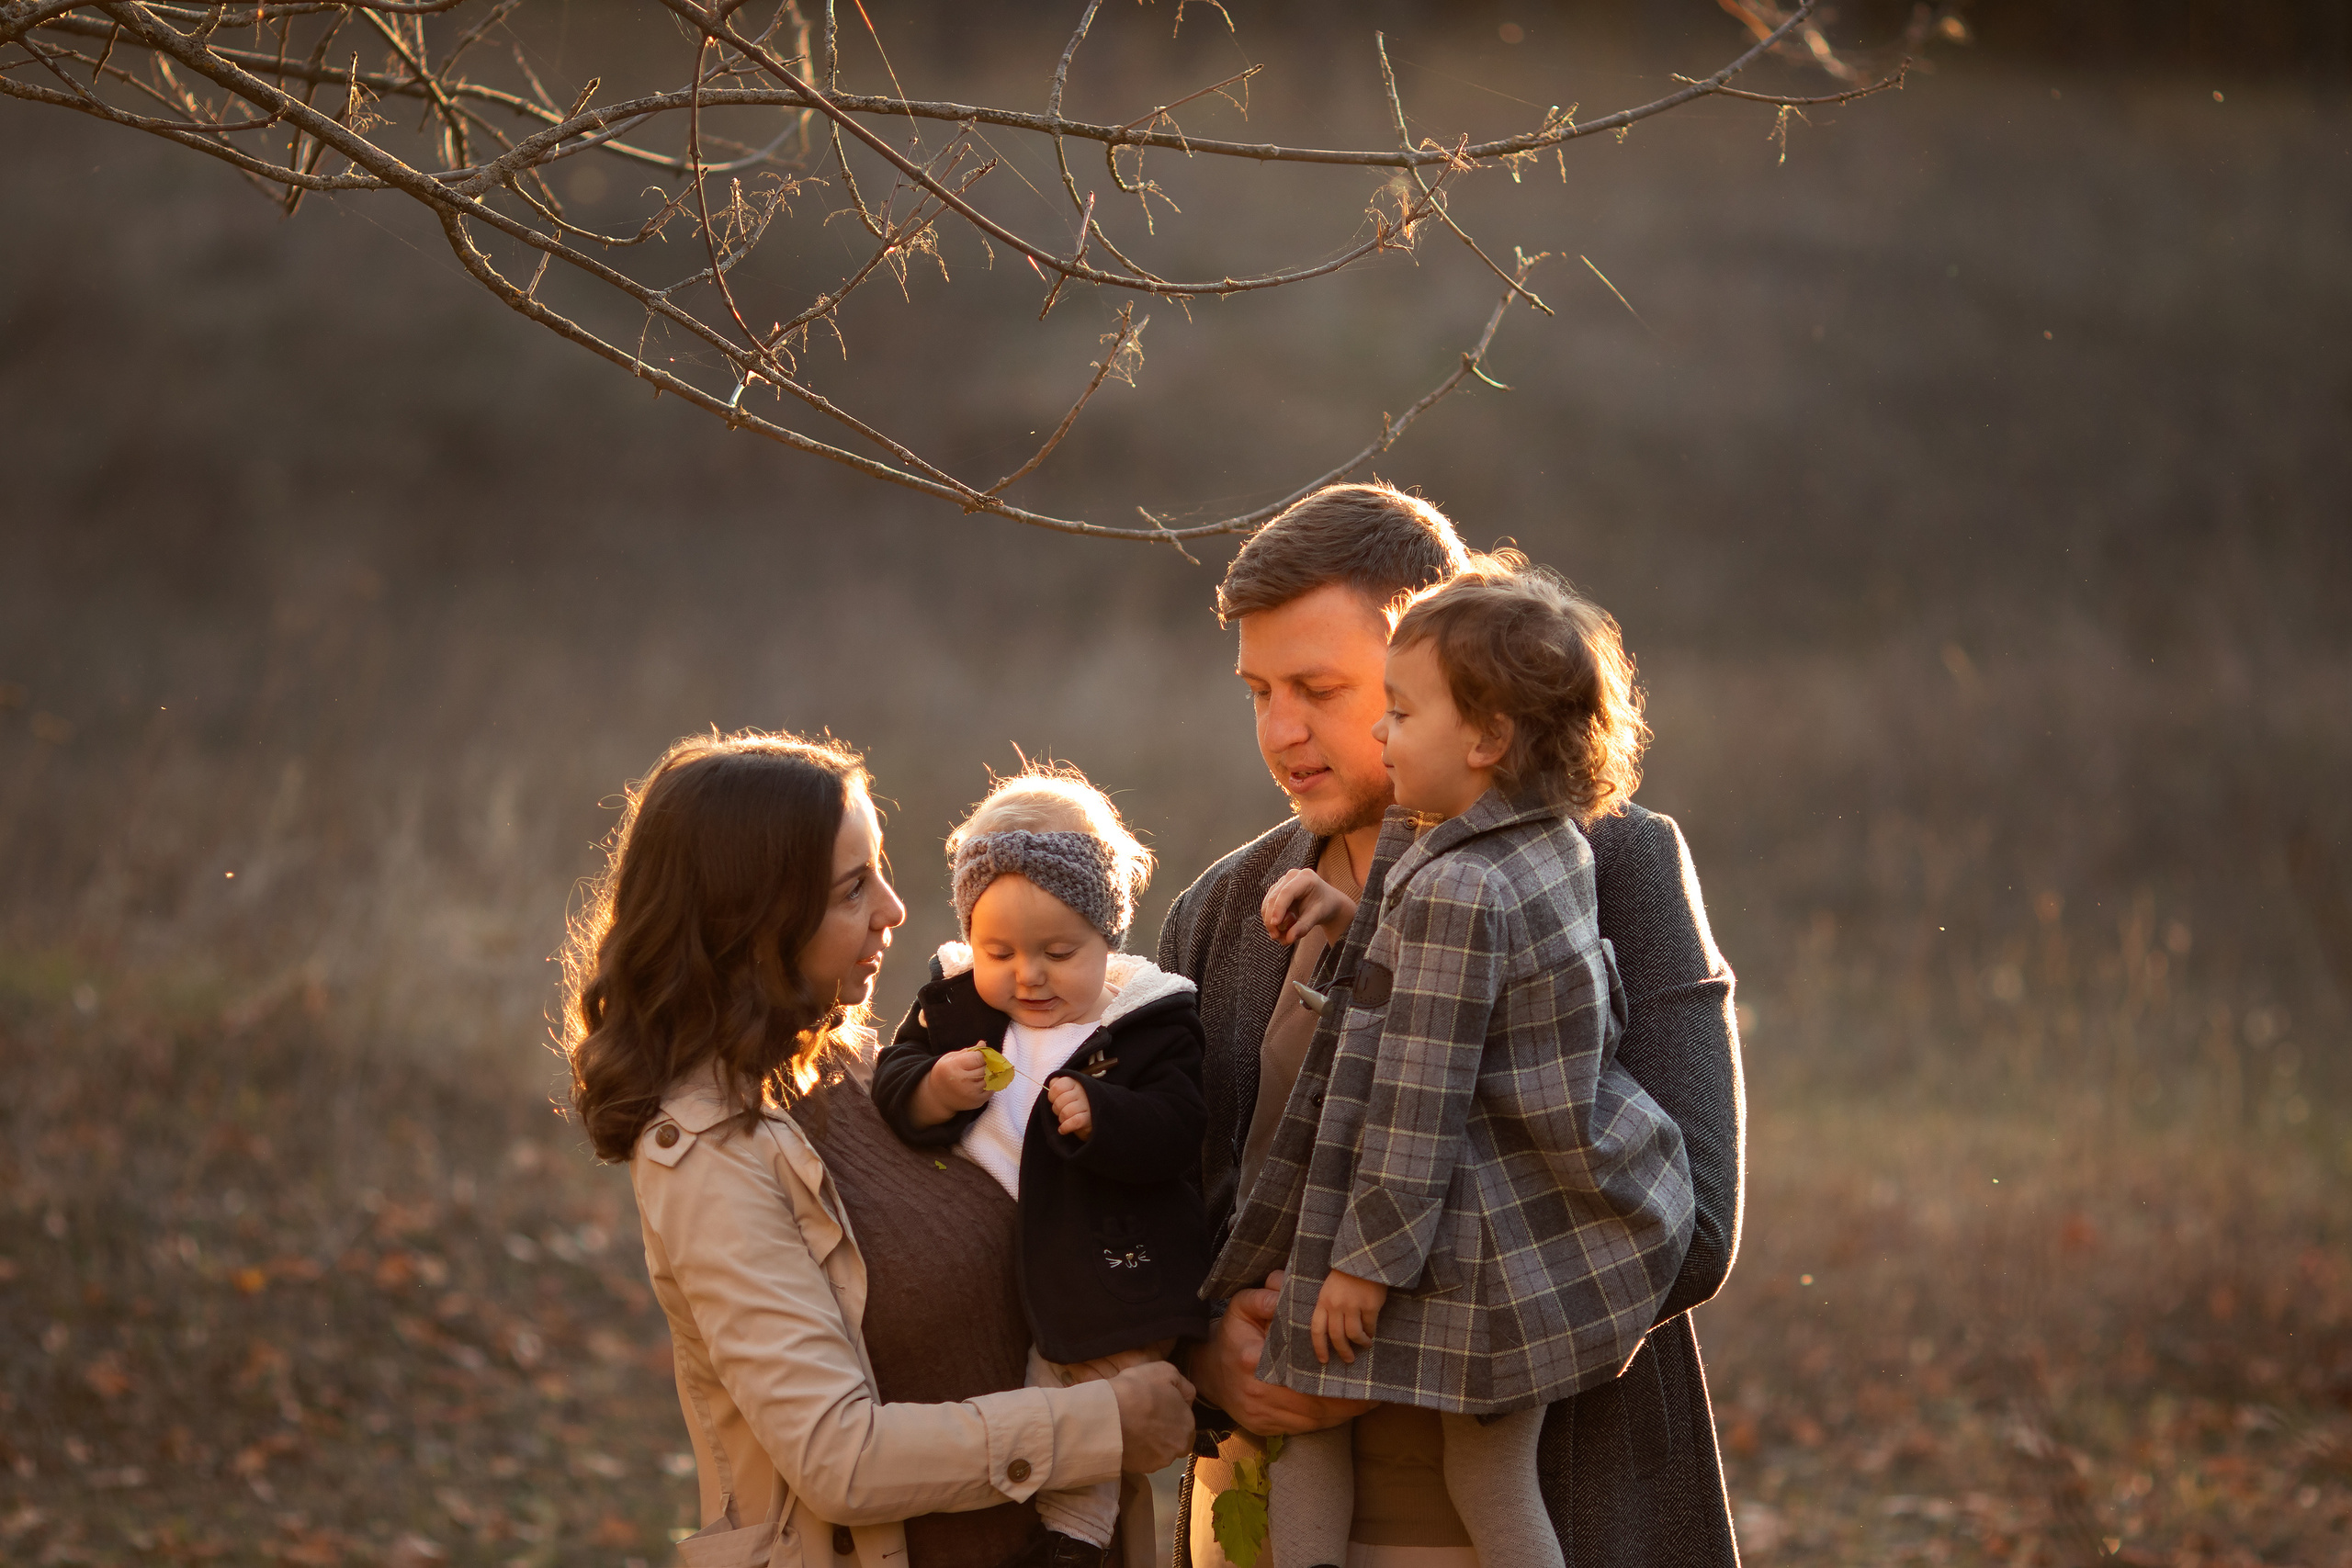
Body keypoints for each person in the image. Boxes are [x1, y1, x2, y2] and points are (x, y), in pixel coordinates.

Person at [1158, 483, 1746, 1568]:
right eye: (1256, 691)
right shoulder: (1220, 913)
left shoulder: (1617, 868)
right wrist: (1203, 1353)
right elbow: (1147, 1204)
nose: (1280, 730)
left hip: (1558, 1509)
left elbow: (1696, 1222)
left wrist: (1402, 1334)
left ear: (1442, 663)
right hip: (1260, 1520)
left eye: (1322, 689)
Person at [562, 730, 1197, 1568]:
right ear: (754, 923)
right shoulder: (708, 1157)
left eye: (883, 871)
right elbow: (839, 1457)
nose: (896, 909)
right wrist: (1104, 1424)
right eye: (853, 888)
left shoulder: (863, 1074)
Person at [872, 767, 1215, 1562]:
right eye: (1001, 951)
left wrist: (1108, 1116)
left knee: (1089, 1385)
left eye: (1059, 951)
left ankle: (1073, 1537)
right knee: (1004, 1397)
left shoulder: (1148, 1020)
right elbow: (892, 1080)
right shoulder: (955, 1005)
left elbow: (1180, 1127)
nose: (1028, 975)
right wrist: (930, 1088)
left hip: (1107, 1262)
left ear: (1107, 937)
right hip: (982, 1271)